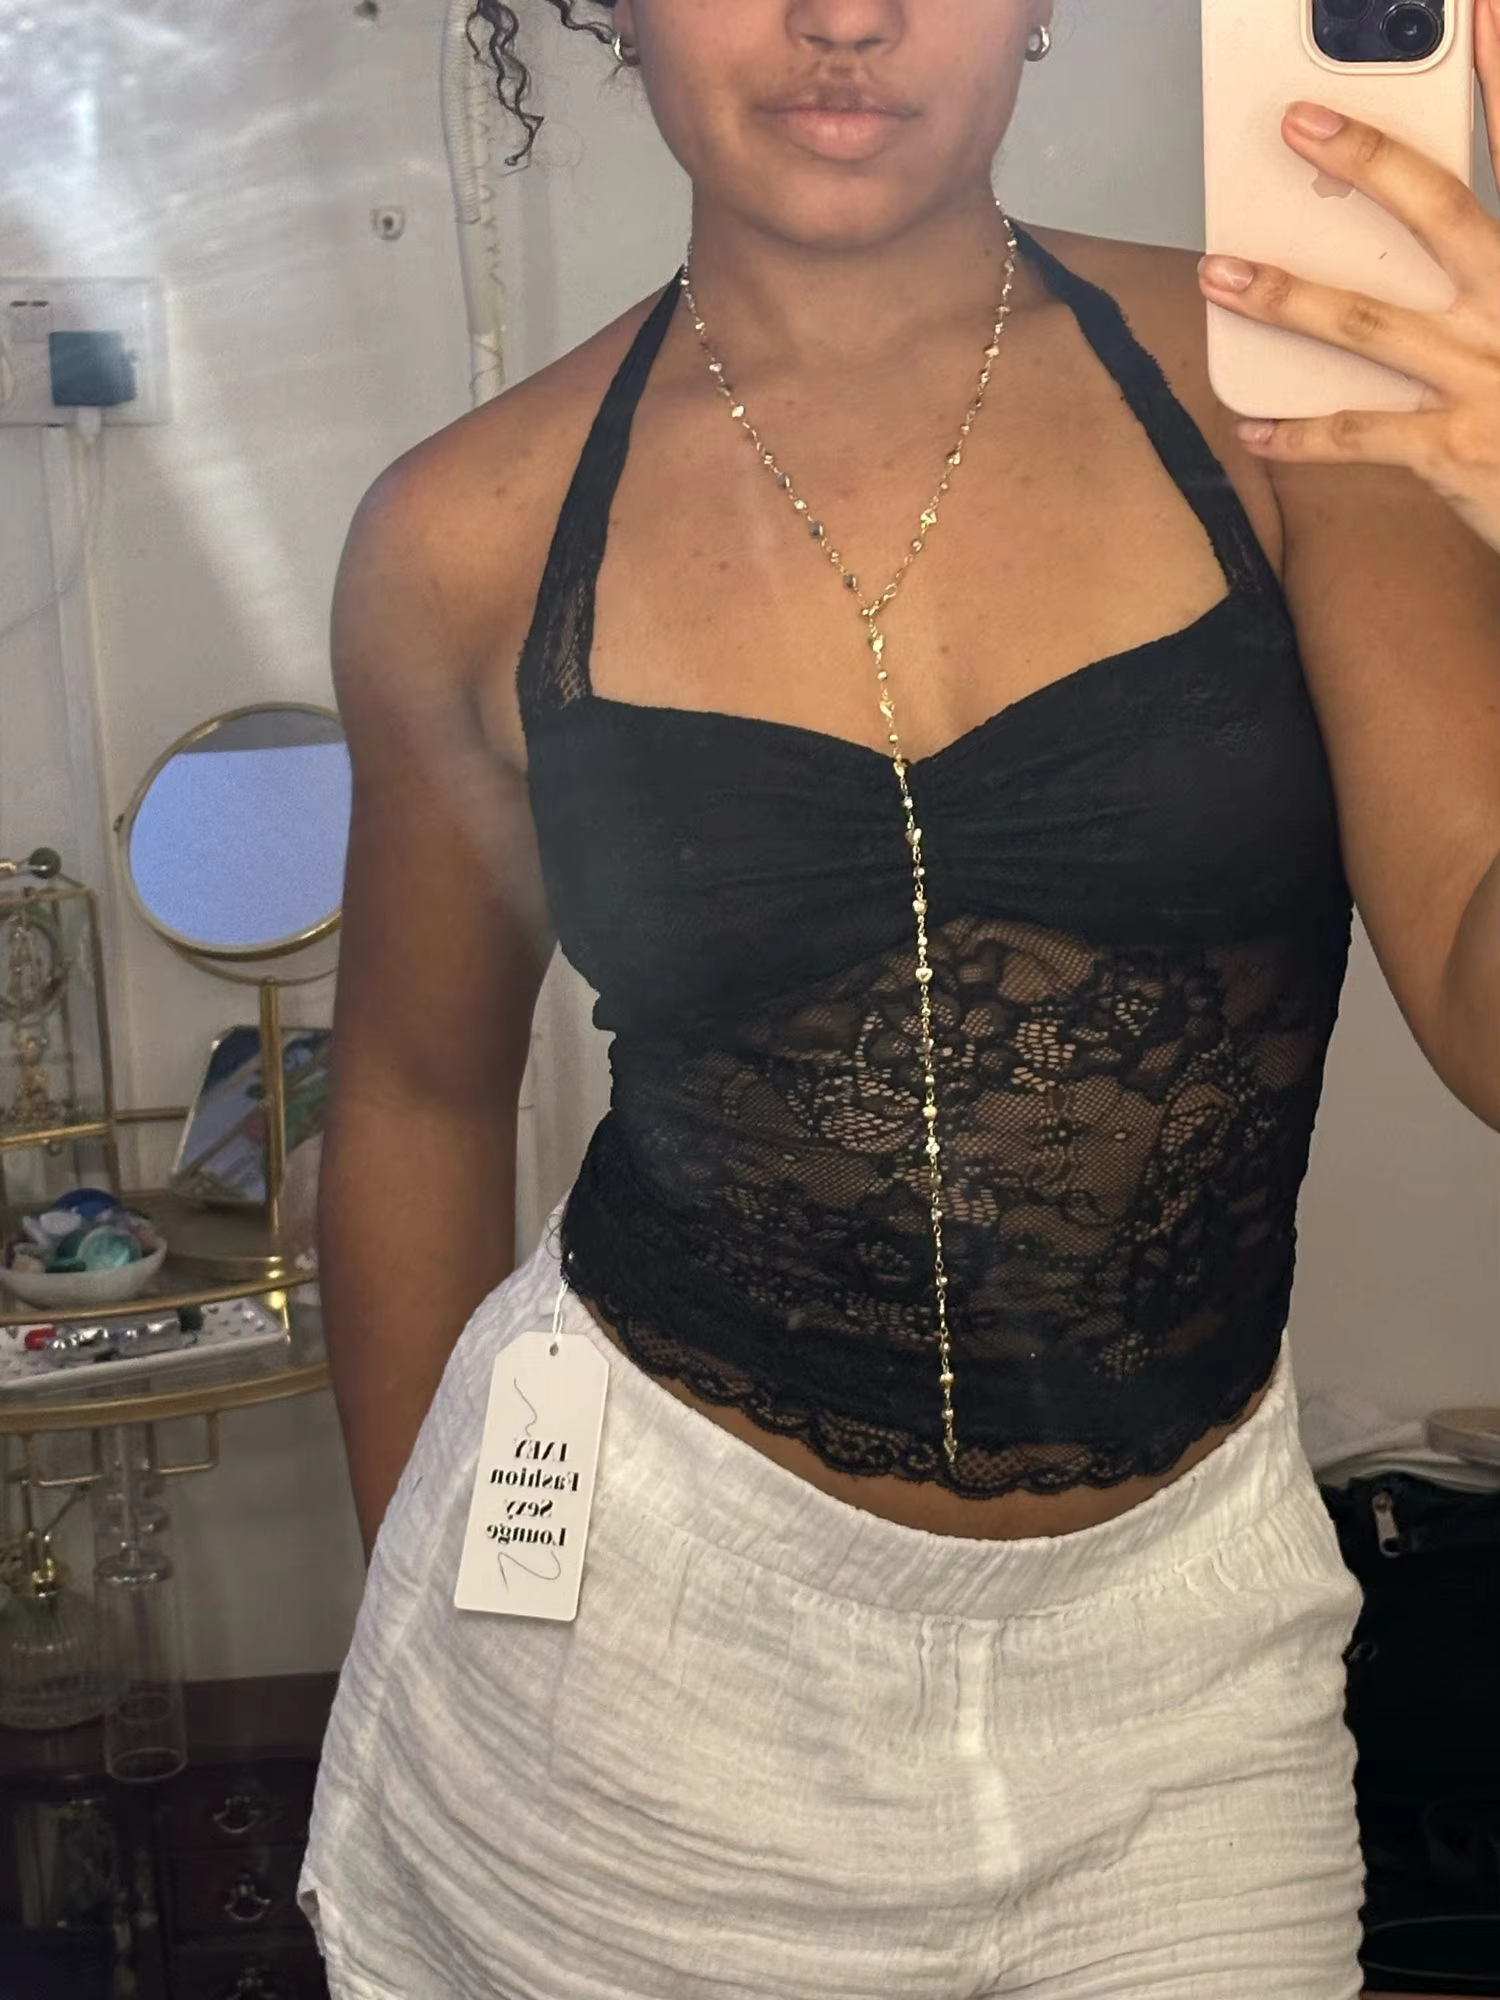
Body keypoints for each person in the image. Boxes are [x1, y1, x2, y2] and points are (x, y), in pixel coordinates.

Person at [297, 3, 1500, 1995]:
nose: (841, 16)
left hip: (1184, 1683)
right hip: (631, 1676)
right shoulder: (462, 539)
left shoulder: (1292, 393)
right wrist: (423, 1608)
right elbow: (418, 1100)